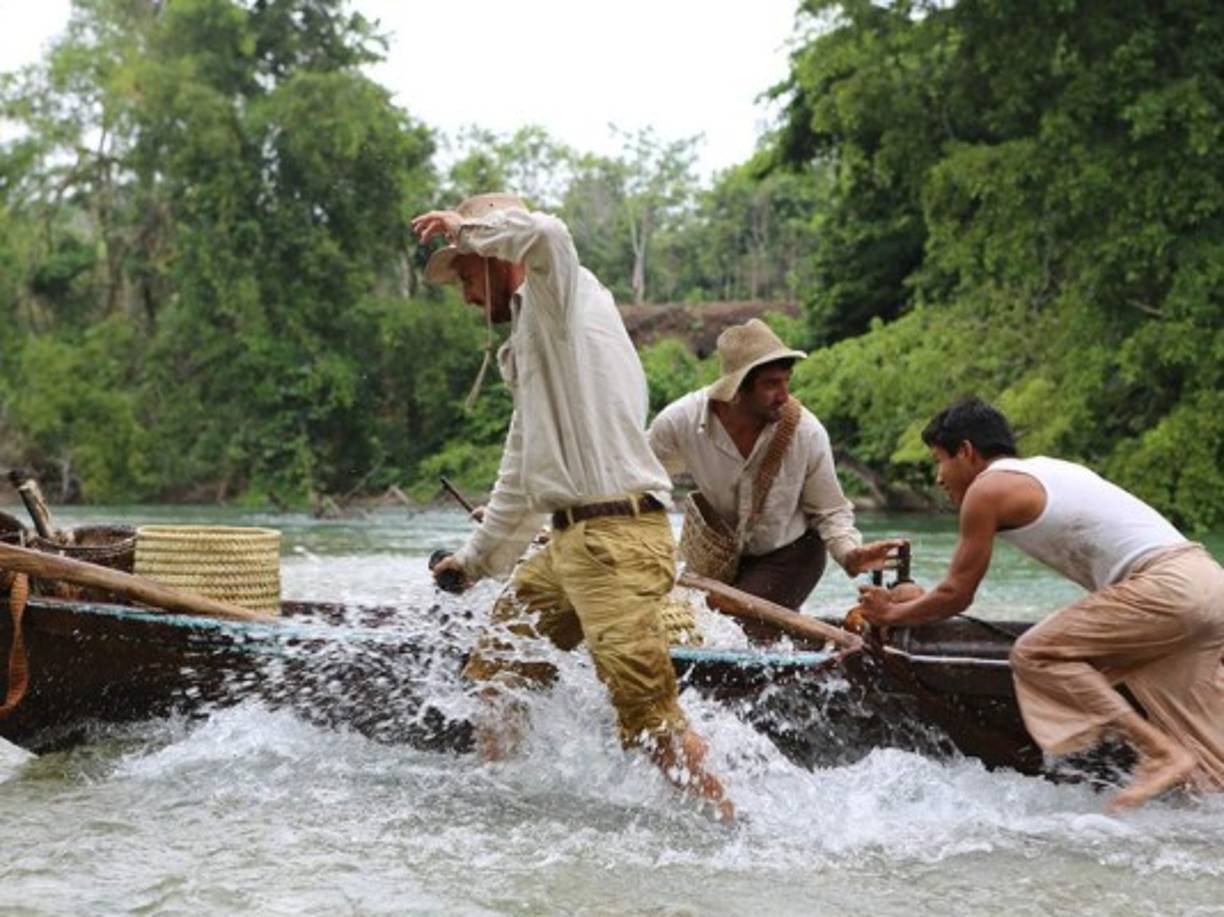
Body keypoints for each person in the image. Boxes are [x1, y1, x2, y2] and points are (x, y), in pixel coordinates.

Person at [412, 193, 733, 821]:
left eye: (467, 275)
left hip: (615, 541)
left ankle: (731, 827)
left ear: (496, 257)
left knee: (649, 719)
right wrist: (473, 562)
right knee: (497, 668)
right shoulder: (535, 343)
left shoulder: (562, 295)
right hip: (571, 543)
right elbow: (520, 472)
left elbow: (550, 233)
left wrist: (466, 229)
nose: (467, 297)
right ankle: (499, 802)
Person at [857, 396, 1224, 810]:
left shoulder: (987, 488)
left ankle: (1157, 753)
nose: (939, 477)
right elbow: (950, 593)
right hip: (1208, 583)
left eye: (940, 461)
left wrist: (891, 613)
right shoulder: (1049, 470)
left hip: (1167, 586)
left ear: (967, 451)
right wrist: (917, 603)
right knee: (1211, 772)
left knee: (1036, 653)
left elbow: (958, 593)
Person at [648, 318, 904, 640]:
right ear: (737, 390)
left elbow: (830, 511)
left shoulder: (806, 433)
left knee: (734, 637)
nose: (784, 396)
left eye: (786, 382)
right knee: (689, 630)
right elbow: (638, 475)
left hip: (790, 555)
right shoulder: (681, 422)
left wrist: (851, 554)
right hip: (720, 557)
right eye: (771, 384)